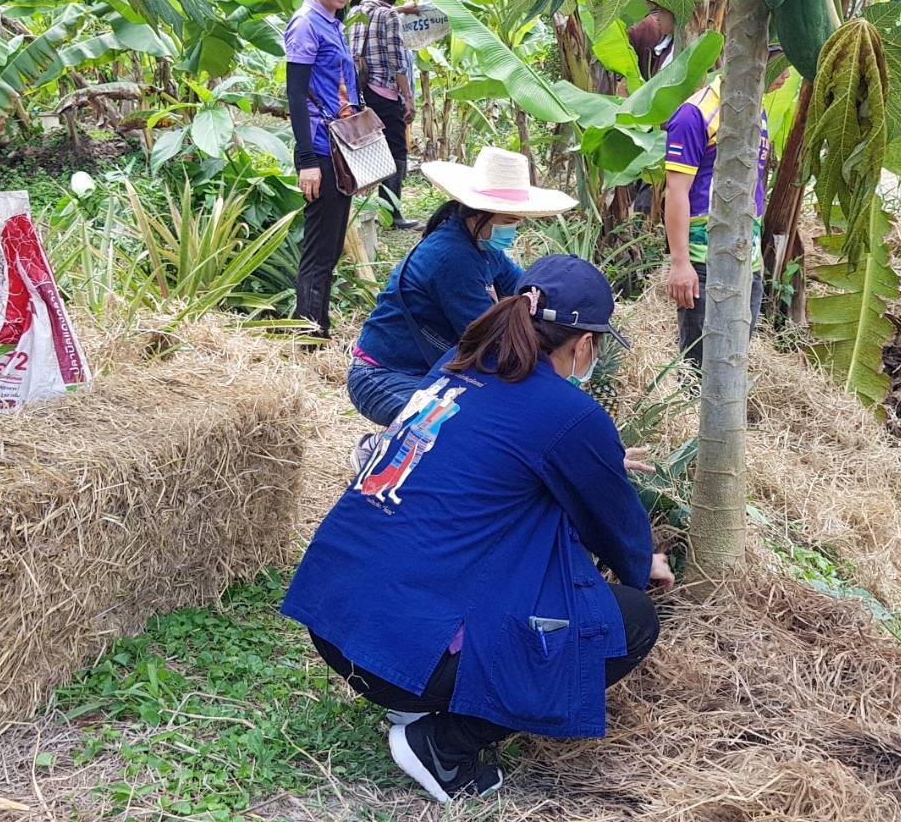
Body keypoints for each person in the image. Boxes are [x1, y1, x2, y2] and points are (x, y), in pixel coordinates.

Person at [282, 254, 671, 804]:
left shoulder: (458, 364)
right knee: (630, 620)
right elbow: (620, 535)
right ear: (583, 344)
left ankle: (420, 692)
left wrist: (590, 459)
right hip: (395, 657)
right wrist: (645, 562)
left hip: (335, 629)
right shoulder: (569, 412)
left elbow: (488, 460)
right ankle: (443, 743)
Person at [347, 146, 576, 430]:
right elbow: (491, 341)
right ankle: (374, 452)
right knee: (459, 426)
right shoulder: (453, 257)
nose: (512, 231)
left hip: (425, 371)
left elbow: (522, 284)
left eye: (517, 223)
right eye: (507, 222)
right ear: (476, 214)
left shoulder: (481, 245)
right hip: (382, 375)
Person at [286, 0, 369, 340]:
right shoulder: (306, 23)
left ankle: (319, 328)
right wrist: (306, 160)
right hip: (321, 149)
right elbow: (295, 94)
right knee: (320, 247)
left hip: (341, 148)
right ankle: (307, 335)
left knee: (332, 243)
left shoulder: (332, 22)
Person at [663, 75, 770, 367]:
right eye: (780, 63)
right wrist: (680, 263)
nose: (786, 74)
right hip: (705, 260)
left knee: (735, 359)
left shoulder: (755, 109)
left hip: (749, 258)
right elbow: (675, 191)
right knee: (700, 364)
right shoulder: (695, 113)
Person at [350, 0, 421, 230]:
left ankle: (377, 207)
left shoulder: (355, 12)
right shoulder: (387, 15)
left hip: (361, 91)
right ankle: (392, 214)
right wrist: (408, 97)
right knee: (396, 150)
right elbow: (396, 59)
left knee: (374, 148)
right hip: (385, 91)